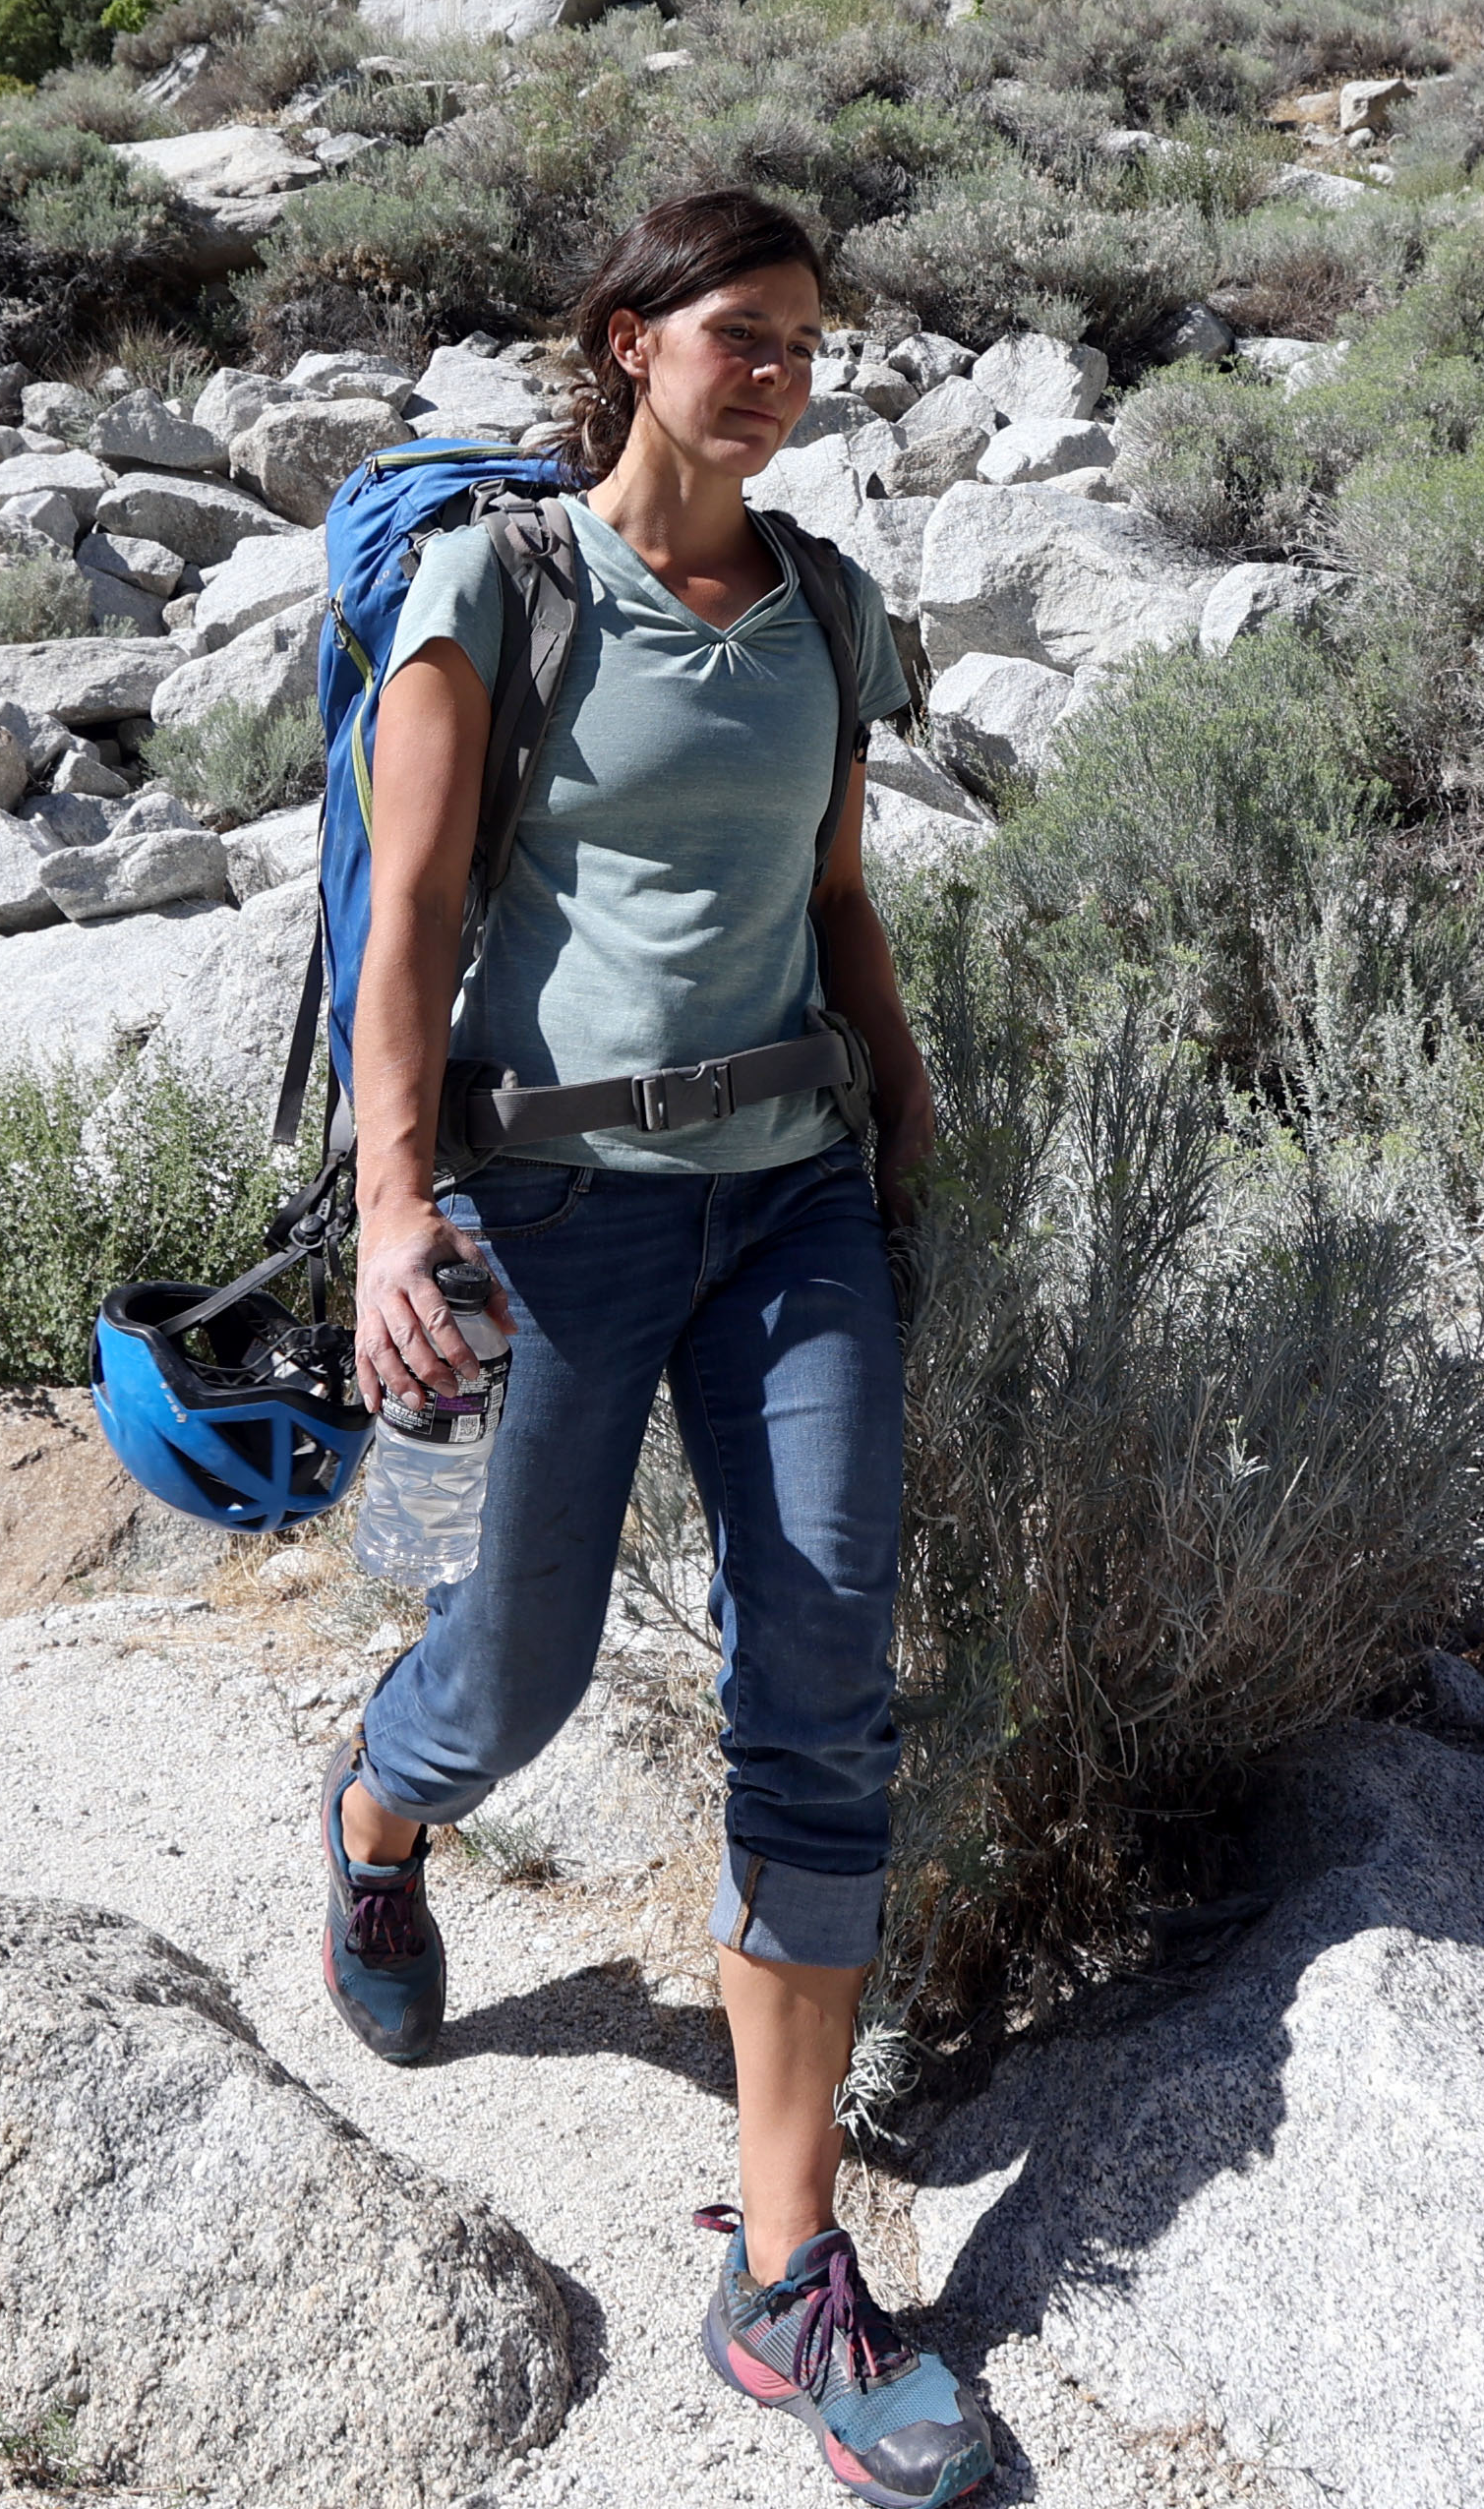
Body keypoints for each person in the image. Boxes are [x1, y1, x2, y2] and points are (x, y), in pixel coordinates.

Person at [319, 186, 985, 2509]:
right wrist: (398, 1210)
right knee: (516, 1663)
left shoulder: (821, 601)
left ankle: (787, 2270)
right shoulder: (494, 590)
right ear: (630, 341)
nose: (786, 369)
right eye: (743, 332)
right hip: (562, 1205)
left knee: (821, 1668)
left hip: (794, 1196)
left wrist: (899, 1087)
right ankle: (386, 1811)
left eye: (811, 337)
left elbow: (830, 892)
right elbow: (405, 919)